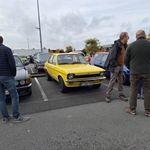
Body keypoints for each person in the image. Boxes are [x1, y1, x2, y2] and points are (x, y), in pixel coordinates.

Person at [0, 36, 30, 123]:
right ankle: (16, 117)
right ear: (2, 41)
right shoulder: (7, 50)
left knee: (1, 98)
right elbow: (12, 64)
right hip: (7, 75)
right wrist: (13, 74)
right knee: (14, 96)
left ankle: (5, 117)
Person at [124, 30, 150, 117]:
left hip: (134, 72)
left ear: (136, 36)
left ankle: (132, 109)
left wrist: (131, 68)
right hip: (147, 72)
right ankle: (148, 111)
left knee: (133, 90)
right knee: (147, 91)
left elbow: (126, 60)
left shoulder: (131, 46)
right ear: (144, 35)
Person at [104, 32, 129, 103]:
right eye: (127, 37)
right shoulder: (116, 46)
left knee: (120, 81)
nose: (128, 38)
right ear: (123, 37)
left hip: (121, 66)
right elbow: (112, 57)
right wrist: (114, 65)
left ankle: (121, 94)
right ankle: (108, 96)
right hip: (116, 66)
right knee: (112, 81)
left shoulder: (125, 45)